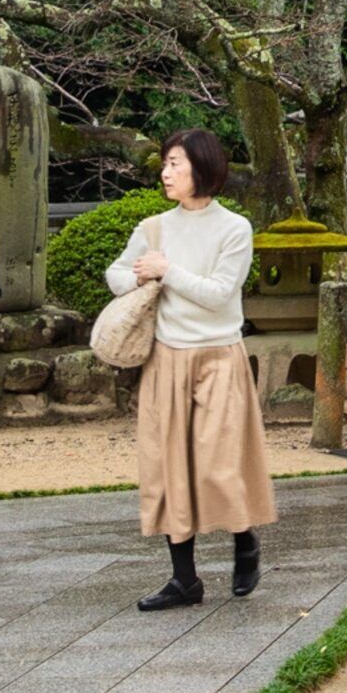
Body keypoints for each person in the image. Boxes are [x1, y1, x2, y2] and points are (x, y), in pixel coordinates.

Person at [109, 127, 276, 609]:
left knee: (218, 465)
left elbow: (219, 294)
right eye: (164, 164)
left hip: (219, 357)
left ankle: (245, 542)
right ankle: (185, 579)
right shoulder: (154, 228)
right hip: (165, 358)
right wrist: (138, 274)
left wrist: (167, 272)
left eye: (175, 164)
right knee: (168, 468)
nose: (165, 172)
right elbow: (117, 274)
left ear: (202, 167)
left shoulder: (234, 229)